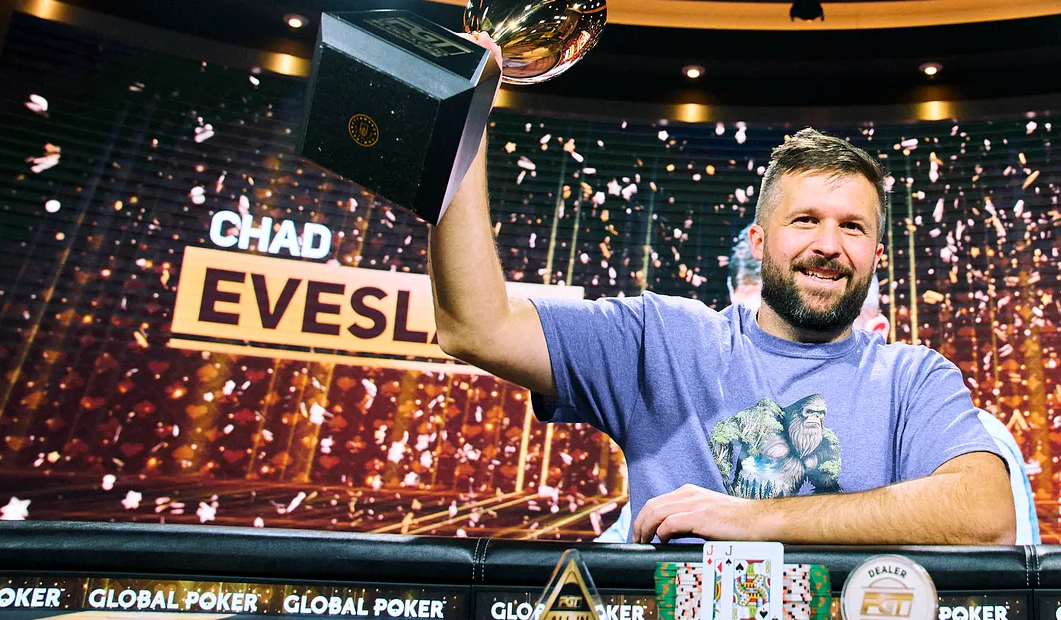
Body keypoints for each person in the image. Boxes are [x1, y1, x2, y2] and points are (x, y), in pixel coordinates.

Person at [430, 119, 1014, 545]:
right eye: (805, 220)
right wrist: (465, 123)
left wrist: (752, 519)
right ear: (759, 242)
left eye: (853, 227)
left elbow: (988, 516)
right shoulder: (663, 341)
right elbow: (476, 327)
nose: (829, 245)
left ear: (877, 255)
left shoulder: (914, 378)